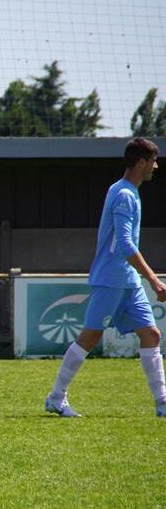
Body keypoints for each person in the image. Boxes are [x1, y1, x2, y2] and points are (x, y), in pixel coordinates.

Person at [45, 137, 166, 418]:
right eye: (153, 161)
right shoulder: (123, 194)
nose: (156, 167)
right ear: (140, 163)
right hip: (111, 278)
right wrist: (153, 278)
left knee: (151, 334)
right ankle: (55, 397)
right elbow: (124, 243)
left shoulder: (130, 192)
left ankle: (162, 403)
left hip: (128, 282)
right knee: (90, 337)